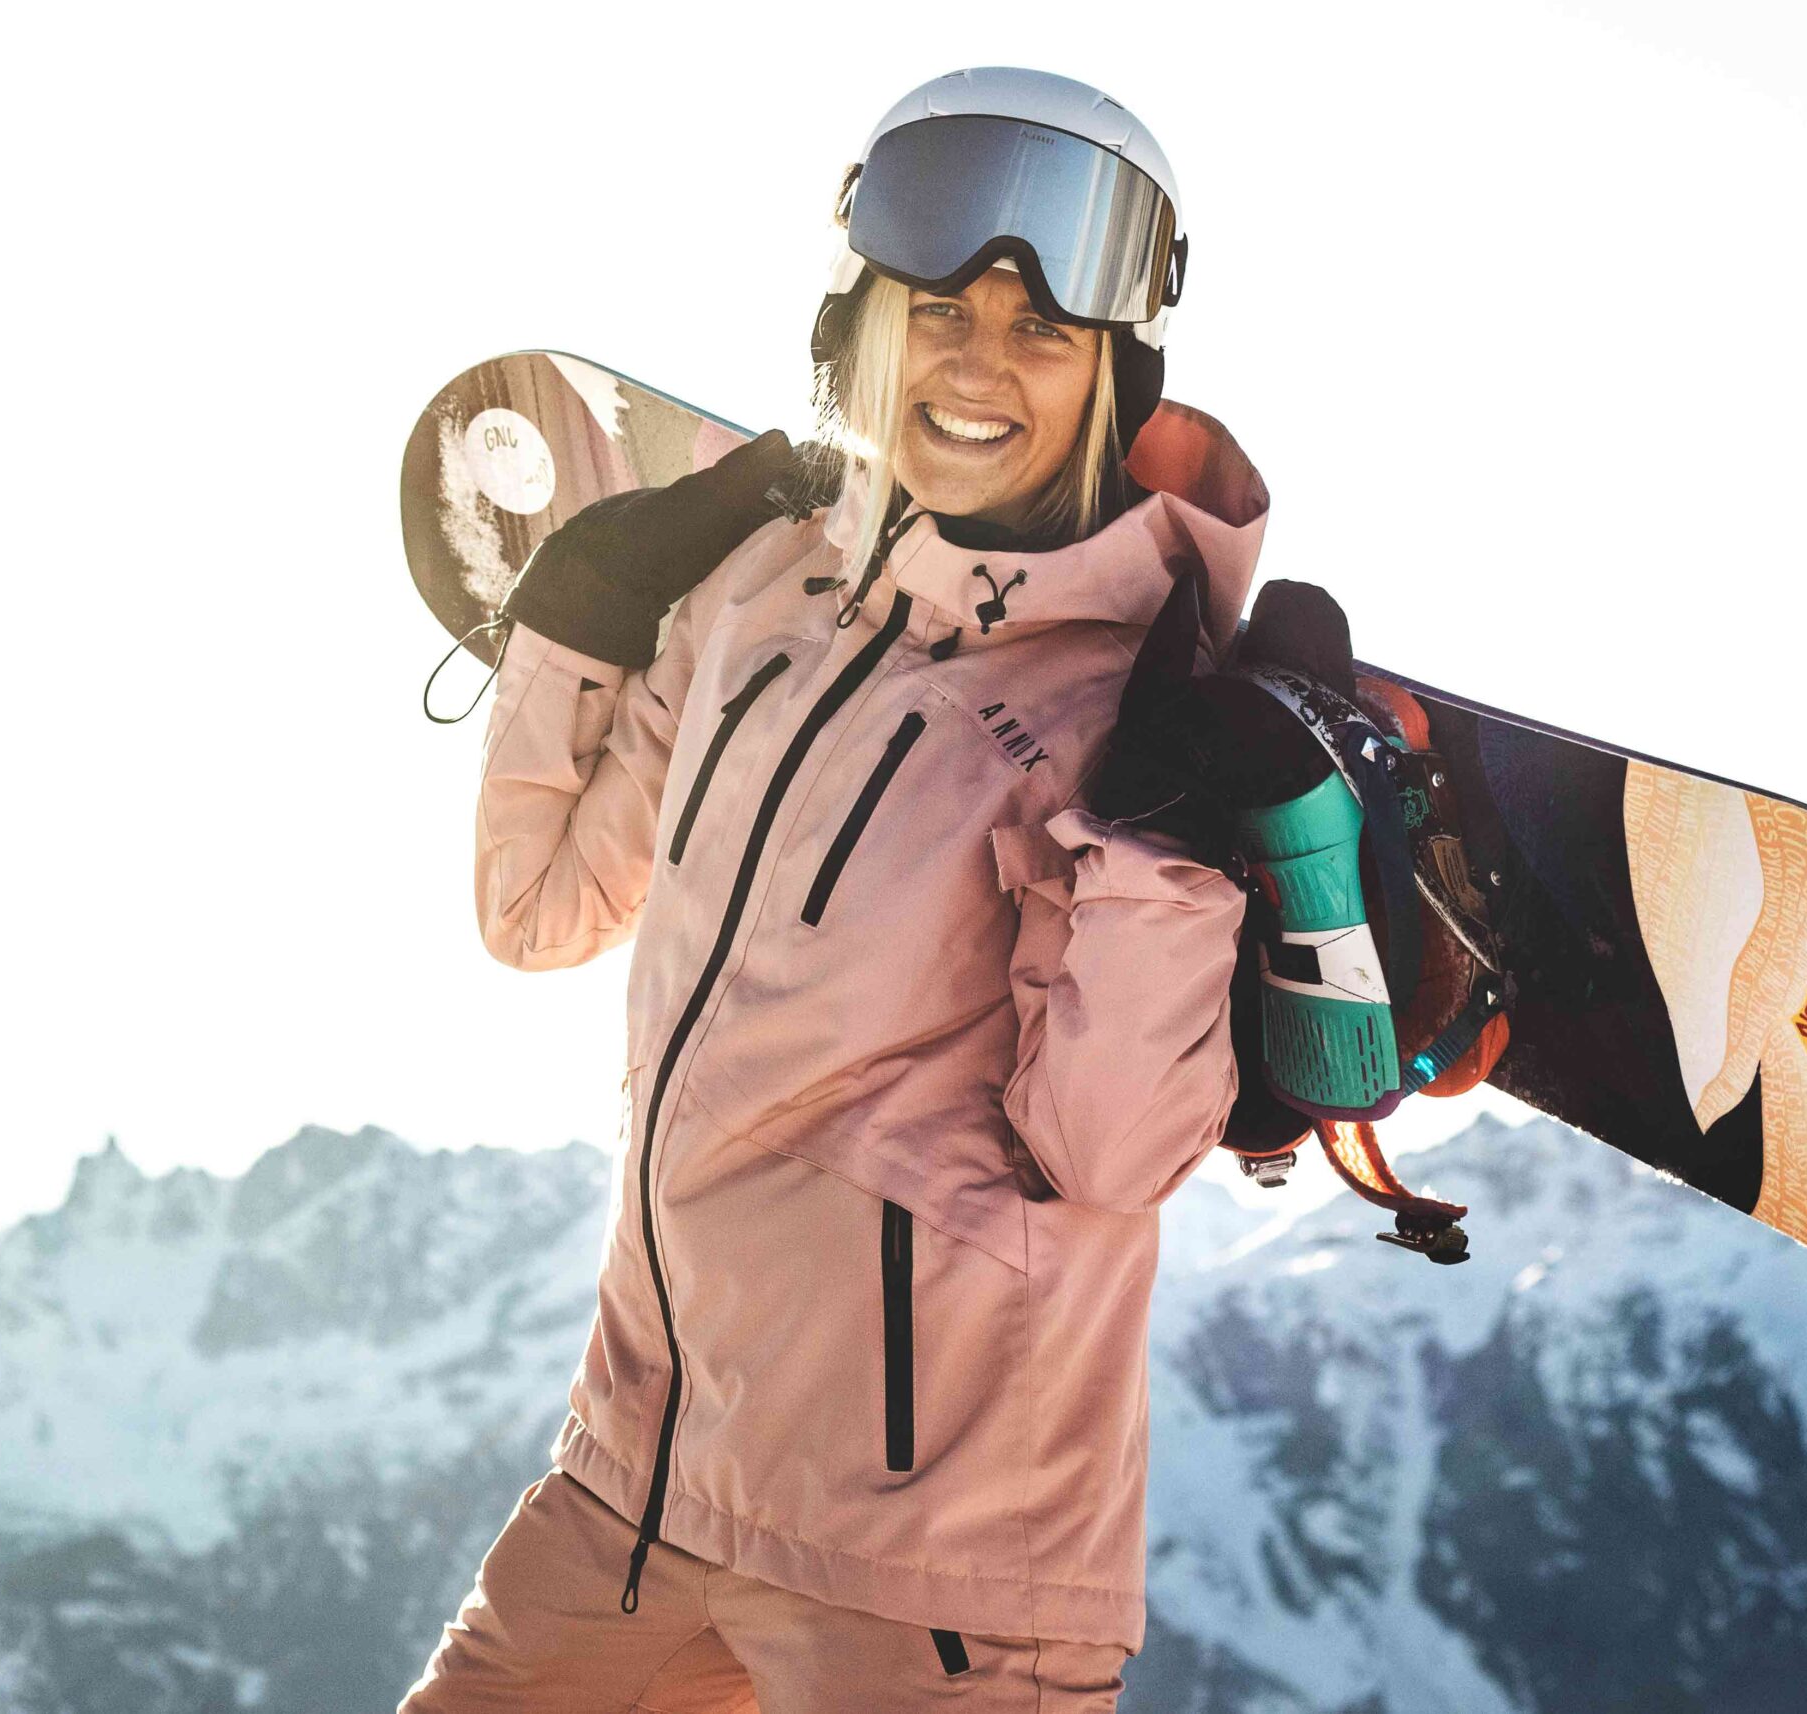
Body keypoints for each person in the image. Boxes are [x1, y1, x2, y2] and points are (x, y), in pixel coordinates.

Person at [398, 66, 1298, 1713]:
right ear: (860, 321)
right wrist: (581, 616)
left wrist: (1161, 841)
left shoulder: (1126, 706)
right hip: (637, 1485)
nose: (978, 363)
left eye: (1043, 331)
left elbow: (1110, 1149)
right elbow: (536, 908)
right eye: (940, 308)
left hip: (933, 1585)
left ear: (1113, 369)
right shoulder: (759, 585)